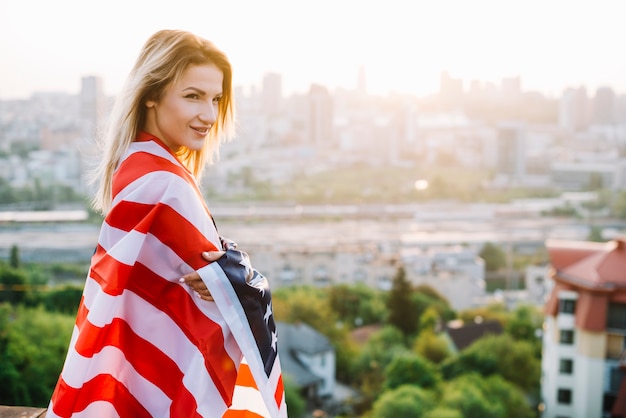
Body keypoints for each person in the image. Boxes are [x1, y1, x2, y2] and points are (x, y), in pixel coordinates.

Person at [46, 29, 287, 418]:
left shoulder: (136, 166)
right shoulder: (165, 184)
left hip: (128, 382)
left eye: (216, 99)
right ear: (151, 95)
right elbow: (212, 314)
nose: (208, 115)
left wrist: (226, 273)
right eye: (193, 96)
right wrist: (246, 280)